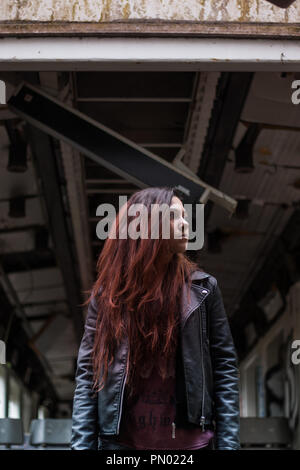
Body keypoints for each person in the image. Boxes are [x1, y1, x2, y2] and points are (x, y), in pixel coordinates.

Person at [70, 186, 240, 450]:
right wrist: (81, 447)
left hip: (191, 446)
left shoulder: (204, 290)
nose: (186, 223)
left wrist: (229, 446)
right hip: (124, 446)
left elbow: (225, 368)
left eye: (185, 216)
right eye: (174, 216)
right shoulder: (108, 298)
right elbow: (89, 374)